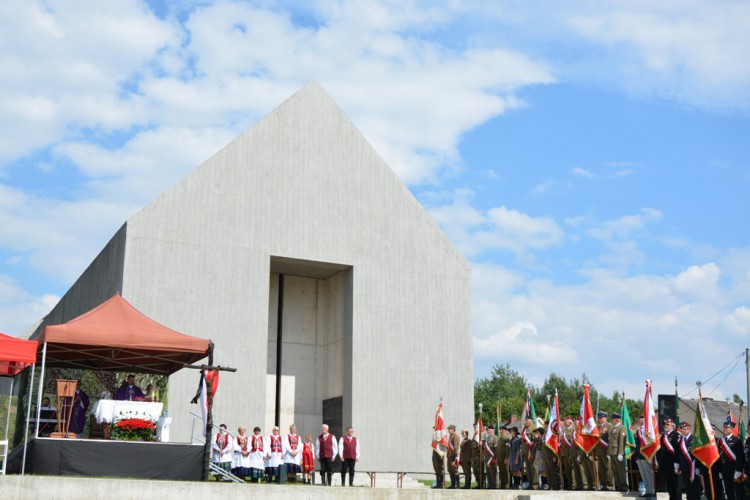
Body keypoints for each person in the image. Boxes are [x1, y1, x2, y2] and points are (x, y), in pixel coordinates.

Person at [718, 419, 745, 500]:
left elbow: (740, 456)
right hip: (724, 468)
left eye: (727, 427)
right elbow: (719, 456)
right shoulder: (721, 440)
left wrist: (738, 470)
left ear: (732, 429)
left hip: (733, 468)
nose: (724, 429)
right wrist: (720, 470)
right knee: (728, 491)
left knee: (737, 491)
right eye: (724, 427)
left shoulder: (737, 440)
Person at [675, 421, 701, 500]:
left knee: (695, 489)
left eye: (685, 429)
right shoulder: (680, 440)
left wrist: (697, 467)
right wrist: (677, 466)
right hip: (684, 467)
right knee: (687, 488)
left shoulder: (694, 439)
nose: (682, 430)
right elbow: (678, 454)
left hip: (693, 468)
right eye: (682, 429)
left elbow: (698, 455)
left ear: (689, 430)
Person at [657, 418, 680, 500]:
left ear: (672, 426)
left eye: (667, 424)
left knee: (675, 484)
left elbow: (677, 450)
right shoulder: (663, 436)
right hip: (665, 464)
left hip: (673, 463)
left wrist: (677, 463)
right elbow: (660, 450)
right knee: (669, 484)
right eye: (664, 424)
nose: (665, 426)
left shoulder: (676, 435)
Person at [634, 415, 656, 498]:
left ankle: (652, 490)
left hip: (646, 454)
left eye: (643, 417)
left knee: (649, 473)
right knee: (643, 474)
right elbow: (637, 443)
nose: (641, 419)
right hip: (639, 454)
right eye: (639, 418)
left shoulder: (649, 429)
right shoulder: (638, 430)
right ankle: (647, 490)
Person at [607, 412, 628, 492]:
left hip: (617, 452)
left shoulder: (622, 428)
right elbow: (610, 442)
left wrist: (620, 453)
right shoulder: (613, 429)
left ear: (617, 420)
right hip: (612, 453)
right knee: (615, 471)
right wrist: (608, 453)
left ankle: (624, 487)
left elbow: (622, 441)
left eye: (613, 419)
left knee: (621, 471)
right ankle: (618, 486)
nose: (612, 420)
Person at [595, 411, 613, 491]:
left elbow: (611, 439)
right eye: (599, 418)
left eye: (601, 418)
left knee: (608, 469)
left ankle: (611, 485)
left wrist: (610, 451)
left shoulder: (609, 425)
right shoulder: (597, 427)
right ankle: (603, 485)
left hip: (606, 451)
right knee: (601, 470)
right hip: (599, 451)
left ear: (605, 418)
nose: (600, 419)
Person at [446, 424, 461, 489]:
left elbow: (455, 447)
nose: (448, 430)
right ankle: (452, 484)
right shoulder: (450, 436)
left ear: (453, 429)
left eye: (449, 429)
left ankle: (456, 484)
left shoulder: (455, 436)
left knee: (455, 470)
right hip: (449, 456)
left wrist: (455, 456)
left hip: (453, 456)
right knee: (450, 470)